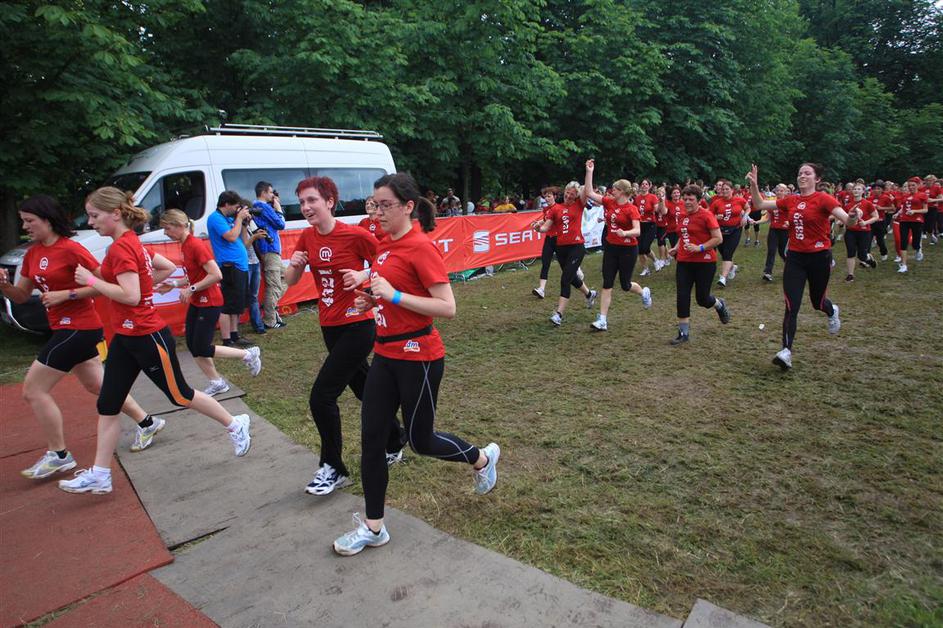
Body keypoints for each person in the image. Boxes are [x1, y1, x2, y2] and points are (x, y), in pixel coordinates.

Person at [332, 173, 499, 556]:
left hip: (419, 357)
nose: (376, 212)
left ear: (408, 206)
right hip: (384, 355)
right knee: (372, 439)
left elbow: (447, 307)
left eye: (385, 205)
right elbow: (393, 293)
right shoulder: (384, 245)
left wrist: (393, 295)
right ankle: (374, 527)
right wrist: (374, 301)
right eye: (374, 205)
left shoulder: (421, 247)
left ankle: (482, 458)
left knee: (421, 441)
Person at [58, 187, 251, 495]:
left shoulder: (123, 248)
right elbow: (156, 273)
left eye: (94, 216)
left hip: (147, 335)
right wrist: (78, 291)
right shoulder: (130, 243)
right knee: (108, 403)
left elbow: (131, 295)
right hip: (125, 336)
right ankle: (100, 473)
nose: (90, 222)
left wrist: (92, 280)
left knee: (180, 395)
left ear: (115, 214)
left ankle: (235, 423)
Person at [0, 196, 166, 480]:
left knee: (33, 390)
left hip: (80, 327)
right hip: (63, 327)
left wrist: (67, 294)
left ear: (47, 221)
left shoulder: (71, 249)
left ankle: (59, 455)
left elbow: (104, 284)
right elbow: (22, 296)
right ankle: (147, 422)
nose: (25, 226)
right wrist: (4, 285)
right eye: (23, 221)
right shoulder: (32, 254)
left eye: (30, 221)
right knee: (98, 386)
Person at [285, 176, 405, 496]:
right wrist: (295, 265)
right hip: (330, 325)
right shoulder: (307, 237)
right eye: (302, 202)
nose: (306, 207)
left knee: (322, 396)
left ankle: (333, 468)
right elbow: (291, 280)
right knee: (364, 388)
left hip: (358, 324)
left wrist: (363, 273)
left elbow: (391, 262)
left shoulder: (354, 235)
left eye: (312, 200)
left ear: (329, 202)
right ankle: (396, 439)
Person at [746, 164, 858, 370]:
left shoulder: (824, 199)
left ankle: (831, 310)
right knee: (791, 305)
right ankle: (786, 351)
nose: (802, 176)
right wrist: (754, 184)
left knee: (817, 302)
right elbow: (760, 204)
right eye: (799, 173)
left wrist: (852, 216)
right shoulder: (791, 200)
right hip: (795, 258)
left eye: (807, 173)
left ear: (817, 179)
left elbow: (848, 222)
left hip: (819, 258)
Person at [155, 210, 262, 396]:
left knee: (202, 347)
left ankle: (248, 354)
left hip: (210, 301)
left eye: (167, 228)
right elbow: (195, 275)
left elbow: (216, 275)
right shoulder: (185, 245)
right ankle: (217, 382)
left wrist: (191, 289)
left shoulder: (195, 245)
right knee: (192, 345)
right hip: (198, 301)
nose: (165, 232)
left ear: (180, 225)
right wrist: (174, 284)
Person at [583, 166, 652, 331]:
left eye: (614, 189)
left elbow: (637, 231)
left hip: (628, 249)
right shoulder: (609, 202)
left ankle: (644, 292)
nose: (611, 191)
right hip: (611, 248)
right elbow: (589, 193)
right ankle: (602, 320)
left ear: (621, 192)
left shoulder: (631, 209)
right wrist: (589, 171)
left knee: (625, 285)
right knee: (607, 282)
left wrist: (625, 233)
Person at [666, 185, 730, 345]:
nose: (687, 202)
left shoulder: (706, 215)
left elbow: (718, 238)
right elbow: (684, 235)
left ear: (699, 200)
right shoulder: (682, 215)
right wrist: (676, 248)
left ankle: (719, 304)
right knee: (682, 295)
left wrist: (699, 247)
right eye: (685, 199)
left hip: (705, 262)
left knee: (702, 299)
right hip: (684, 261)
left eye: (691, 199)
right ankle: (683, 333)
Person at [535, 172, 599, 326]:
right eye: (567, 193)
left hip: (576, 247)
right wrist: (538, 228)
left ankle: (559, 314)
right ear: (564, 192)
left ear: (577, 196)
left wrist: (589, 171)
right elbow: (546, 228)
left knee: (565, 280)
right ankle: (589, 294)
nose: (569, 196)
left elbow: (588, 190)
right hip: (561, 249)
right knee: (572, 278)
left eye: (572, 194)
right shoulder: (556, 209)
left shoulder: (579, 205)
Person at [207, 191, 253, 347]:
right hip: (229, 267)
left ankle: (235, 335)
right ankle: (226, 339)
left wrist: (244, 223)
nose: (236, 210)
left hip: (239, 266)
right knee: (227, 306)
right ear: (226, 204)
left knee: (237, 305)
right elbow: (231, 237)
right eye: (235, 206)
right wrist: (239, 219)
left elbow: (243, 240)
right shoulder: (215, 218)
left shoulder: (229, 219)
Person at [252, 181, 287, 329]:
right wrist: (278, 208)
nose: (273, 195)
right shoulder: (263, 206)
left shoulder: (258, 207)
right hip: (269, 249)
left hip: (270, 249)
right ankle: (269, 320)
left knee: (286, 278)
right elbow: (281, 224)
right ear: (264, 192)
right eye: (271, 192)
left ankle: (270, 306)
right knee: (274, 286)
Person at [709, 180, 750, 287]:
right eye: (723, 189)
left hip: (735, 230)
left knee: (728, 253)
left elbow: (748, 208)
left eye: (727, 189)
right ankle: (732, 267)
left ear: (732, 190)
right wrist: (715, 217)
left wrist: (745, 217)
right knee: (723, 253)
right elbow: (709, 216)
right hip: (720, 231)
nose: (725, 191)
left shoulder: (739, 200)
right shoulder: (717, 202)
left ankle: (723, 278)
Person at [841, 184, 879, 282]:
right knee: (851, 252)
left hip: (864, 232)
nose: (856, 190)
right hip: (850, 231)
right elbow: (844, 217)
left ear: (863, 191)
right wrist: (841, 221)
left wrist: (865, 222)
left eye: (859, 189)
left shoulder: (868, 203)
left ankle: (869, 259)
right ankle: (850, 275)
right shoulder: (848, 205)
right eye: (854, 189)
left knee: (862, 256)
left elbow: (876, 217)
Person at [895, 177, 929, 273]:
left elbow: (925, 210)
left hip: (917, 221)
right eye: (909, 185)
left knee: (915, 243)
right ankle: (904, 265)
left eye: (913, 185)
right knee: (903, 242)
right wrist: (897, 214)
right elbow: (903, 208)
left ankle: (918, 249)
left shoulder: (922, 195)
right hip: (904, 220)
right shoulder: (905, 196)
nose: (911, 187)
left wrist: (914, 211)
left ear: (917, 185)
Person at [757, 184, 790, 281]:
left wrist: (789, 222)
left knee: (783, 252)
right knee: (771, 250)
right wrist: (756, 222)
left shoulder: (788, 203)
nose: (779, 192)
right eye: (777, 190)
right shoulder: (772, 203)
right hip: (774, 230)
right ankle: (767, 272)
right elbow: (767, 218)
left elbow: (794, 215)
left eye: (781, 191)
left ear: (786, 192)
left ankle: (791, 267)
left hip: (785, 231)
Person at [634, 179, 660, 276]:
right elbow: (634, 210)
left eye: (646, 184)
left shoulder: (653, 197)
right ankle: (646, 269)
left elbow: (656, 209)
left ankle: (655, 260)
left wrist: (656, 207)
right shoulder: (637, 198)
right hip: (640, 225)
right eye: (642, 184)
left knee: (645, 247)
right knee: (640, 249)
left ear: (649, 186)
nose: (644, 185)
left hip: (650, 224)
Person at [869, 181, 893, 261]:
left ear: (882, 190)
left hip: (881, 221)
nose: (876, 190)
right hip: (871, 221)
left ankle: (884, 252)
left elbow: (892, 208)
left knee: (880, 240)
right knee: (868, 239)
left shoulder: (886, 198)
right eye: (874, 189)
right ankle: (867, 256)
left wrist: (881, 208)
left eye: (878, 188)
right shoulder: (869, 198)